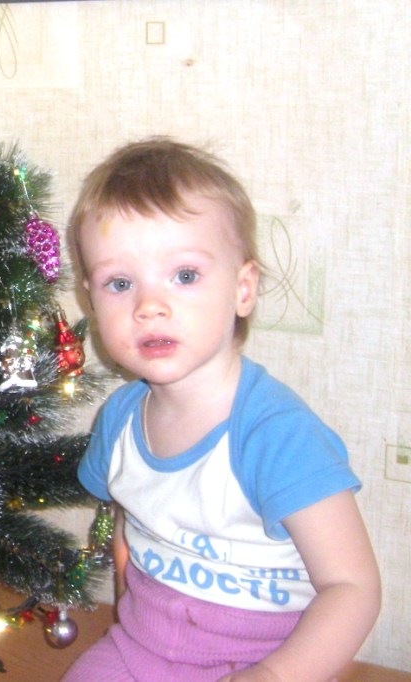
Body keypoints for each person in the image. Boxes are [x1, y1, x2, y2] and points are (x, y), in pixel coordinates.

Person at [61, 138, 380, 681]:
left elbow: (353, 587)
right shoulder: (119, 420)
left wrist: (275, 676)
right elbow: (126, 524)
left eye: (184, 275)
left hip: (271, 660)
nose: (149, 306)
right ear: (91, 299)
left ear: (243, 289)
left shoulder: (278, 436)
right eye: (120, 283)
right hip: (143, 647)